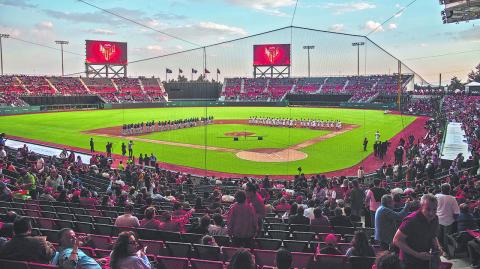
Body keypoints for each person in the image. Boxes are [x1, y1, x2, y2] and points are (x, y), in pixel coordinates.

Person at [393, 194, 443, 269]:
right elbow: (396, 240)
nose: (431, 213)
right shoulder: (411, 220)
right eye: (428, 209)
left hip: (425, 258)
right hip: (409, 261)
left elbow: (433, 236)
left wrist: (438, 247)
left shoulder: (435, 218)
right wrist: (417, 254)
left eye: (434, 209)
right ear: (421, 207)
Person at [435, 183, 460, 250]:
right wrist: (455, 220)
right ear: (449, 189)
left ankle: (439, 249)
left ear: (441, 189)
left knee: (438, 236)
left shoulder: (436, 196)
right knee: (446, 237)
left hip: (438, 219)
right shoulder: (452, 199)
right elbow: (456, 213)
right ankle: (446, 251)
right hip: (448, 221)